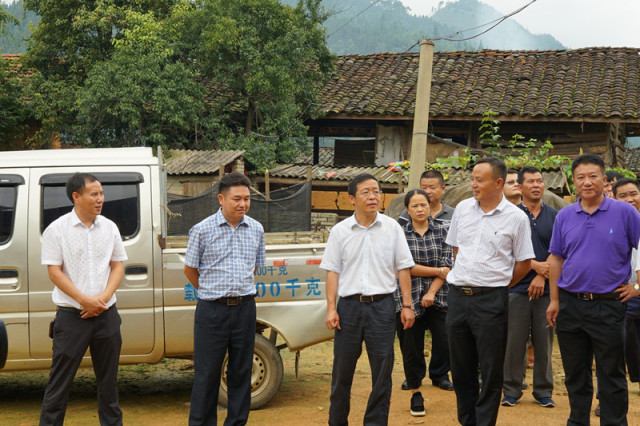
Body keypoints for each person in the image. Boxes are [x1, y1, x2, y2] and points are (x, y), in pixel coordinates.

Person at [547, 154, 640, 425]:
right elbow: (556, 259)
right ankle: (578, 421)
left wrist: (637, 286)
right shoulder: (564, 216)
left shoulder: (625, 212)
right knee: (575, 373)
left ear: (604, 179)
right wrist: (554, 301)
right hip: (570, 304)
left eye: (593, 176)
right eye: (581, 177)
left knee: (610, 373)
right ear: (573, 181)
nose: (587, 182)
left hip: (609, 305)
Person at [445, 157, 534, 426]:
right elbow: (456, 249)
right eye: (472, 178)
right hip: (458, 297)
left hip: (491, 302)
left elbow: (524, 262)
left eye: (479, 180)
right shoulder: (462, 209)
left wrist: (498, 284)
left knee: (491, 369)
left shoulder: (516, 217)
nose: (473, 184)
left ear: (498, 183)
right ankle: (468, 421)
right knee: (461, 370)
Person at [321, 173, 415, 425]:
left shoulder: (392, 228)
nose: (373, 196)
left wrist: (407, 306)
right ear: (352, 199)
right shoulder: (340, 231)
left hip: (383, 308)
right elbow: (332, 271)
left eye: (377, 191)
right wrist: (331, 309)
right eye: (366, 192)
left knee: (383, 371)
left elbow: (404, 268)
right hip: (349, 308)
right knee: (342, 372)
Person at [40, 173, 128, 426]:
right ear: (76, 197)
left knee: (109, 384)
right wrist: (84, 301)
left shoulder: (110, 227)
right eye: (94, 194)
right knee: (59, 384)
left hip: (106, 315)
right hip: (72, 317)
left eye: (101, 193)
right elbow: (54, 271)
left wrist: (101, 299)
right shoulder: (56, 230)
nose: (100, 199)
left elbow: (117, 267)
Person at [184, 172, 266, 426]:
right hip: (212, 311)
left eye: (247, 199)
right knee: (207, 374)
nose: (242, 204)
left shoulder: (256, 229)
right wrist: (212, 292)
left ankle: (236, 422)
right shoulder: (202, 229)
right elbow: (190, 269)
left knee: (241, 373)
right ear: (221, 198)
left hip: (244, 309)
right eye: (236, 199)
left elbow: (254, 267)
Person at [501, 166, 557, 408]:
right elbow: (504, 252)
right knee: (514, 342)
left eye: (540, 181)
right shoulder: (510, 215)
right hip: (516, 288)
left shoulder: (555, 216)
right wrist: (533, 266)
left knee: (544, 344)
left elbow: (560, 252)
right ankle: (512, 390)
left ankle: (544, 391)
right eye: (530, 181)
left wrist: (542, 277)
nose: (536, 185)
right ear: (520, 187)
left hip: (546, 291)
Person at [395, 189, 453, 417]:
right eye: (415, 206)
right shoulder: (399, 234)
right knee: (410, 348)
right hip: (406, 299)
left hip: (439, 298)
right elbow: (404, 267)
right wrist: (438, 270)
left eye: (423, 205)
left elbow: (449, 264)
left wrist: (431, 292)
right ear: (407, 209)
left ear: (430, 207)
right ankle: (415, 393)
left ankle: (448, 378)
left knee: (449, 342)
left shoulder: (443, 230)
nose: (420, 209)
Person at [612, 178, 640, 393]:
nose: (630, 199)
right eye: (623, 196)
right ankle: (609, 395)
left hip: (635, 290)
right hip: (626, 296)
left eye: (634, 193)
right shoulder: (613, 224)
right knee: (620, 346)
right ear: (614, 198)